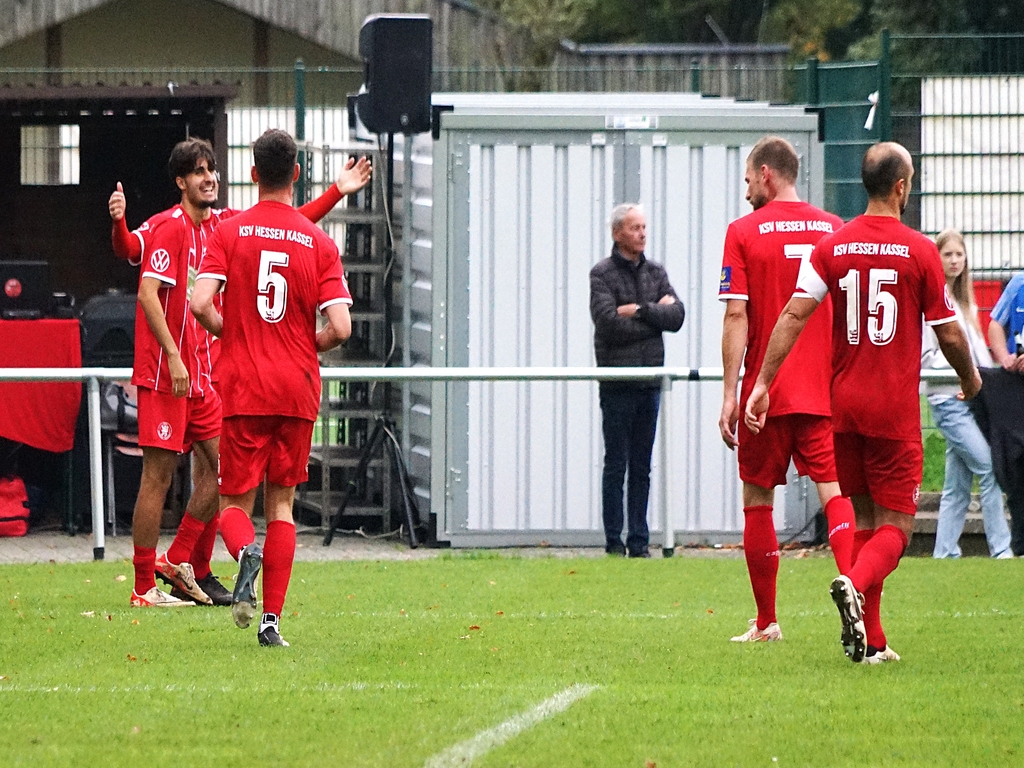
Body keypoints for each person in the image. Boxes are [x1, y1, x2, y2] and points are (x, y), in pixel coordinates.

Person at [744, 142, 980, 664]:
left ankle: (872, 640)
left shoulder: (832, 245)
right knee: (896, 528)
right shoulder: (919, 250)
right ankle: (852, 581)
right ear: (901, 187)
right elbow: (949, 333)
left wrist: (762, 382)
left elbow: (793, 315)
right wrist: (971, 378)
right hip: (892, 411)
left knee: (866, 520)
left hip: (843, 408)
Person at [110, 144, 371, 607]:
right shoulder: (170, 226)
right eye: (198, 172)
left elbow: (285, 224)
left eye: (212, 169)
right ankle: (143, 585)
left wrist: (336, 191)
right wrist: (119, 223)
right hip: (169, 372)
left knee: (222, 474)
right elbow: (135, 258)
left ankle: (180, 558)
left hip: (209, 375)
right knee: (159, 478)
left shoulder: (225, 226)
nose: (209, 177)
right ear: (180, 182)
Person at [191, 128, 353, 647]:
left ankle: (246, 554)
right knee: (282, 505)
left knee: (233, 504)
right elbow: (342, 328)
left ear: (253, 173)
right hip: (297, 388)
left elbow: (199, 303)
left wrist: (230, 332)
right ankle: (271, 623)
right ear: (297, 175)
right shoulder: (319, 242)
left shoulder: (229, 232)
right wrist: (310, 343)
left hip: (245, 385)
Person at [718, 136, 856, 643]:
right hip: (822, 389)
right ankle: (855, 588)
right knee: (835, 492)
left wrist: (731, 393)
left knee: (757, 499)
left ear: (767, 175)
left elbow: (737, 314)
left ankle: (767, 622)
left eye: (748, 180)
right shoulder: (834, 228)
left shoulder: (742, 231)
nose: (746, 191)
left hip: (765, 390)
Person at [589, 204, 684, 558]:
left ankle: (639, 542)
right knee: (617, 464)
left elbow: (677, 316)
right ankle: (614, 542)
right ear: (617, 233)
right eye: (634, 228)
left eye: (644, 227)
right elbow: (608, 325)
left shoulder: (656, 272)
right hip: (618, 382)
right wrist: (655, 318)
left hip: (649, 382)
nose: (642, 234)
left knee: (642, 466)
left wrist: (640, 310)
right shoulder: (601, 274)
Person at [921, 229, 1012, 559]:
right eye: (947, 254)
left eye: (959, 254)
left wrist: (988, 380)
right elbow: (928, 356)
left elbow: (978, 353)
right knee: (988, 468)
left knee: (957, 485)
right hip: (948, 399)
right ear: (937, 258)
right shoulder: (932, 301)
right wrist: (963, 372)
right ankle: (1002, 549)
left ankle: (944, 553)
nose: (955, 260)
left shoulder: (965, 303)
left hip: (971, 398)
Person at [982, 270, 1024, 555]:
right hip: (1015, 386)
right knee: (1014, 464)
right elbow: (996, 324)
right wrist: (1004, 357)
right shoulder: (1018, 284)